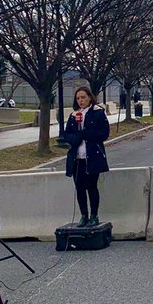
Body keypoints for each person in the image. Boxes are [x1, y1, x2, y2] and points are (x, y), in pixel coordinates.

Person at [62, 86, 110, 226]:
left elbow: (104, 134)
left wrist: (86, 133)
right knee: (80, 187)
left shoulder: (97, 113)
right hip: (77, 157)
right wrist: (75, 137)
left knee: (91, 186)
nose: (81, 100)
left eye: (83, 97)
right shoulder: (74, 115)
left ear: (89, 97)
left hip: (92, 155)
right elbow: (67, 134)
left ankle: (94, 215)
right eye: (78, 98)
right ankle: (84, 215)